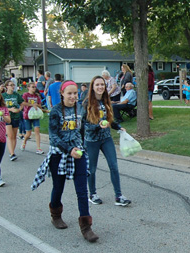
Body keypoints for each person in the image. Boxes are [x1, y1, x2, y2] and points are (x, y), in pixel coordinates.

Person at [31, 80, 99, 243]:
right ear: (62, 93)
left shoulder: (80, 109)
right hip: (59, 154)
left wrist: (82, 145)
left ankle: (86, 227)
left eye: (75, 93)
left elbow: (81, 129)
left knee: (82, 190)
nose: (73, 96)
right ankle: (55, 214)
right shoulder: (55, 111)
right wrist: (69, 149)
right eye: (69, 93)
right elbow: (53, 137)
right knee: (58, 187)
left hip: (78, 153)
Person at [82, 75, 132, 207]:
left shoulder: (106, 101)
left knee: (114, 166)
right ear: (92, 87)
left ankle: (119, 196)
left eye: (102, 85)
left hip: (106, 139)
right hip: (91, 141)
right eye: (97, 85)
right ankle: (92, 194)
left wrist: (118, 127)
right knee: (92, 169)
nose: (100, 87)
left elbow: (109, 120)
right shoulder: (86, 103)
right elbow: (85, 125)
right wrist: (98, 126)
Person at [20, 82, 44, 155]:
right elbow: (23, 103)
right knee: (28, 133)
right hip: (27, 115)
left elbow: (40, 104)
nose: (34, 88)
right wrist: (32, 105)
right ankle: (24, 141)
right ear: (28, 87)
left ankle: (38, 148)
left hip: (35, 115)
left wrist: (38, 106)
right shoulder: (25, 95)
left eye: (34, 87)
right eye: (32, 87)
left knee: (37, 130)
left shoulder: (37, 96)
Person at [2, 80, 23, 161]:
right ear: (6, 86)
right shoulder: (3, 95)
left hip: (15, 116)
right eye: (11, 85)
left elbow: (22, 103)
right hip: (7, 117)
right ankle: (11, 154)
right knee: (10, 135)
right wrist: (9, 109)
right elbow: (1, 107)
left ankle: (12, 151)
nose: (12, 87)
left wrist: (19, 109)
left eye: (13, 85)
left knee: (14, 135)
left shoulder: (16, 95)